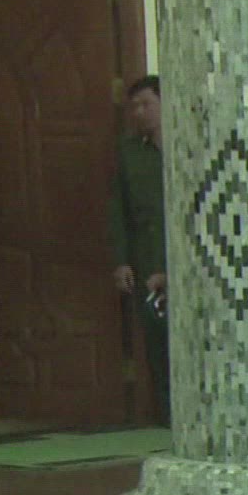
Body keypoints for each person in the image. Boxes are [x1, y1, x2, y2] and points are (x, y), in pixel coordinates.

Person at [109, 74, 168, 425]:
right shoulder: (129, 153)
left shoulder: (186, 145)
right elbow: (118, 209)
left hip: (184, 259)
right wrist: (121, 261)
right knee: (156, 337)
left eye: (146, 104)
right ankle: (165, 414)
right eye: (134, 107)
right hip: (146, 259)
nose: (139, 112)